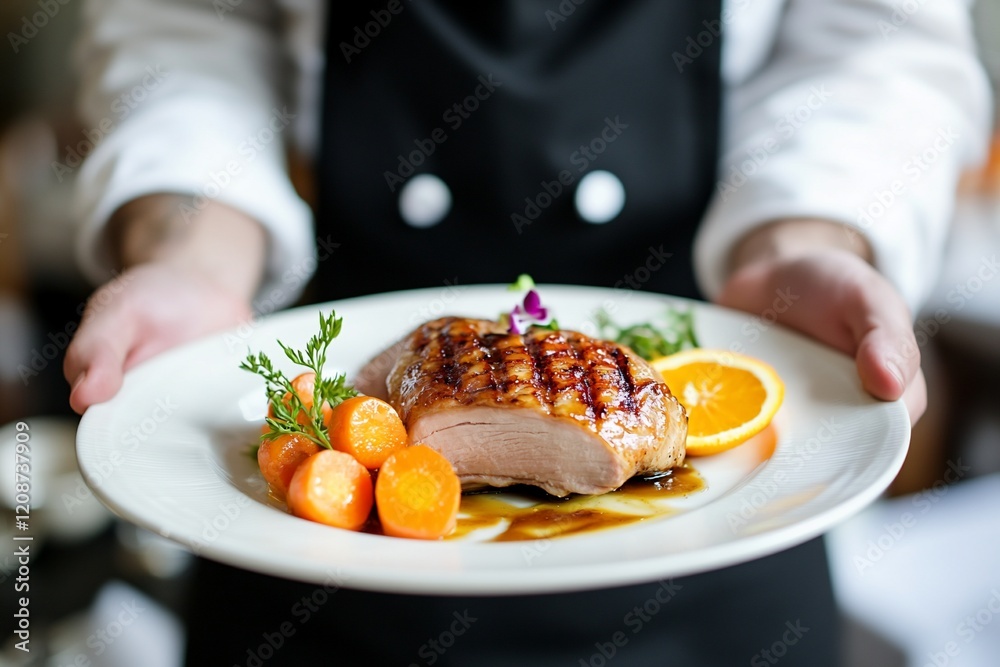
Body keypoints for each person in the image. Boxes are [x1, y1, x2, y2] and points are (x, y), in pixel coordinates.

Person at [62, 0, 989, 665]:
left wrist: (807, 237)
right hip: (324, 553)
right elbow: (183, 26)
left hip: (716, 546)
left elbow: (878, 38)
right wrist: (191, 248)